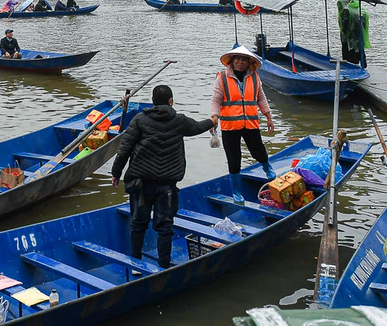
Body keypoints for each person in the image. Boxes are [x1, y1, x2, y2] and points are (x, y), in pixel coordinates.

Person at [111, 85, 216, 268]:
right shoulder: (179, 121)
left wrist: (116, 173)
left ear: (152, 101)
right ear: (170, 101)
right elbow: (198, 127)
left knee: (138, 223)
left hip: (141, 183)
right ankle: (164, 266)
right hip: (167, 185)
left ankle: (135, 264)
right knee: (165, 227)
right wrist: (212, 121)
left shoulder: (139, 120)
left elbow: (124, 149)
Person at [209, 46, 277, 202]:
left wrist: (268, 116)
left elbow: (261, 97)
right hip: (230, 125)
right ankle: (236, 191)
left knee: (258, 150)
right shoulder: (222, 77)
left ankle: (268, 169)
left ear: (248, 62)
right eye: (237, 59)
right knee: (234, 159)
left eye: (243, 59)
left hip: (250, 123)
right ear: (232, 61)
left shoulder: (254, 77)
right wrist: (214, 118)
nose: (240, 62)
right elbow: (216, 100)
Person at [336, 0, 371, 65]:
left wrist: (344, 31)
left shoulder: (345, 8)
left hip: (349, 34)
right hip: (360, 34)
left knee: (349, 50)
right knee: (359, 49)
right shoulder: (362, 9)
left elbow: (344, 23)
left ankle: (350, 65)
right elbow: (365, 23)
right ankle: (362, 63)